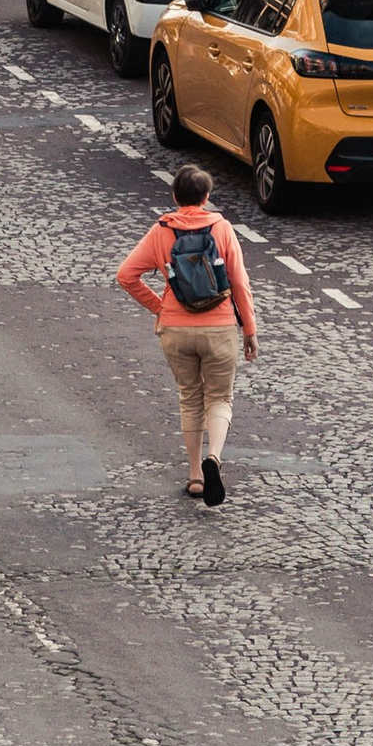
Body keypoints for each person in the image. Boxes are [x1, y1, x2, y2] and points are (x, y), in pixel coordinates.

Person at [116, 164, 258, 506]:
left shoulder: (162, 230)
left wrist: (160, 308)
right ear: (206, 197)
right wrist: (249, 329)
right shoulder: (221, 228)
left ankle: (195, 475)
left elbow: (126, 275)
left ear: (175, 196)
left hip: (176, 330)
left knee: (190, 397)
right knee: (220, 398)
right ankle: (215, 457)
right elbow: (239, 282)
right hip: (219, 328)